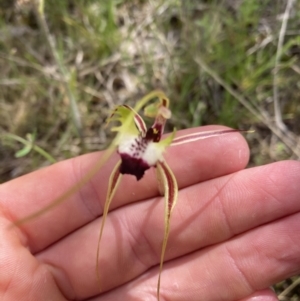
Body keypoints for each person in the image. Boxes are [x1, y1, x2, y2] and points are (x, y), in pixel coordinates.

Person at [0, 126, 299, 301]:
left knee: (169, 211)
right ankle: (110, 234)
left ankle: (156, 279)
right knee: (106, 200)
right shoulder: (137, 141)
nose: (157, 125)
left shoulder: (160, 144)